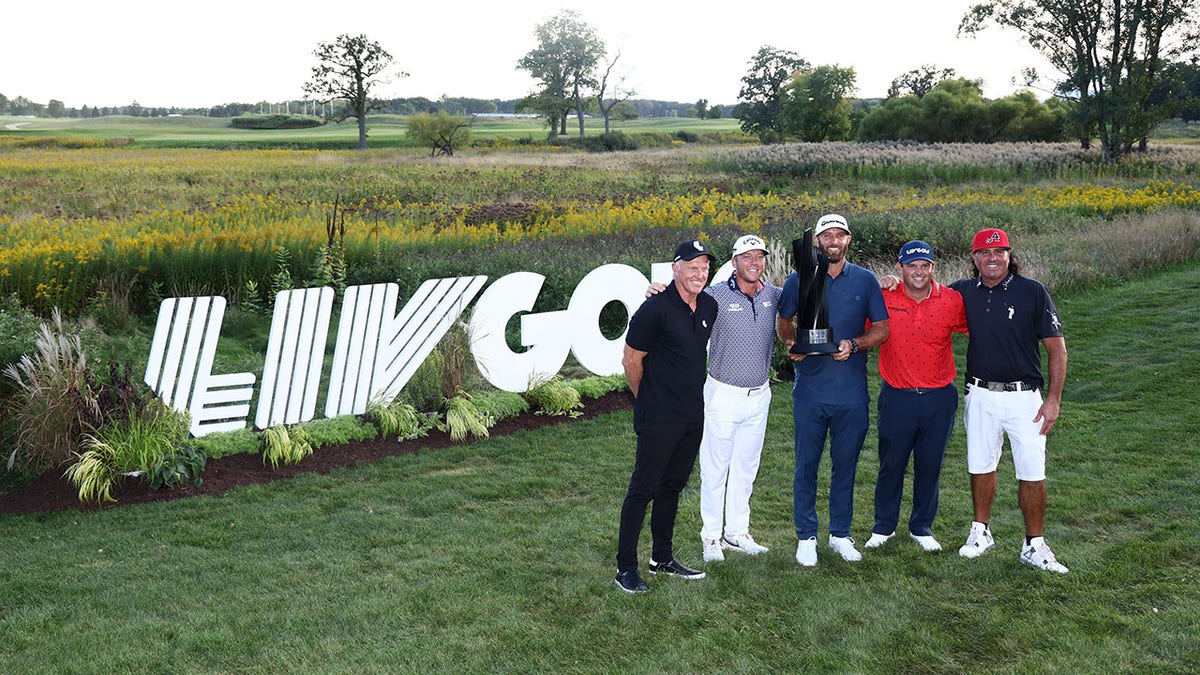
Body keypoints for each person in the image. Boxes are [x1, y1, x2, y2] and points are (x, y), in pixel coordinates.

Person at [950, 228, 1069, 574]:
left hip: (1025, 399)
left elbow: (1056, 348)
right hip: (981, 393)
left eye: (998, 252)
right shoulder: (962, 292)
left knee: (1032, 470)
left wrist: (1053, 400)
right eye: (984, 253)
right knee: (980, 464)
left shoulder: (1032, 291)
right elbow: (923, 294)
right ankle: (980, 531)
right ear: (974, 258)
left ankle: (1034, 544)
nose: (991, 258)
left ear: (1008, 255)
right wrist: (889, 282)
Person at [776, 214, 889, 567]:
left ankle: (840, 534)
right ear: (817, 242)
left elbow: (882, 328)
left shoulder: (866, 280)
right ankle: (806, 536)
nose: (834, 241)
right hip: (810, 391)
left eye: (840, 235)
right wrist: (790, 341)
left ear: (849, 240)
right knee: (806, 465)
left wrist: (854, 344)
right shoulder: (800, 279)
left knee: (846, 466)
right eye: (827, 235)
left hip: (851, 393)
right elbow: (784, 320)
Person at [615, 239, 719, 593]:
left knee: (672, 486)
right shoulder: (654, 309)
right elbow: (631, 360)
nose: (699, 274)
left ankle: (661, 558)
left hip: (692, 415)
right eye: (692, 267)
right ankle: (625, 568)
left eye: (704, 268)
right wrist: (647, 400)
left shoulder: (708, 304)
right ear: (675, 269)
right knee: (642, 490)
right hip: (659, 416)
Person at [866, 241, 968, 554]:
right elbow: (864, 328)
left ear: (933, 268)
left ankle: (921, 527)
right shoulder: (884, 296)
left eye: (925, 265)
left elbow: (975, 331)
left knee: (930, 464)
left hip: (939, 397)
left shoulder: (951, 300)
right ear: (900, 268)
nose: (919, 272)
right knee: (891, 464)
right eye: (912, 266)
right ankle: (884, 526)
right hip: (898, 395)